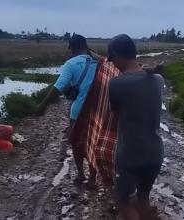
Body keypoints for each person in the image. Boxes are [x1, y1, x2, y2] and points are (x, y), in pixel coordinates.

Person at [108, 34, 164, 220]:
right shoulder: (157, 80)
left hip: (130, 155)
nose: (113, 64)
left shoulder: (115, 84)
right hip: (155, 154)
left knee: (124, 201)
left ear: (117, 54)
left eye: (112, 59)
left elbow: (116, 116)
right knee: (143, 198)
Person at [37, 34, 98, 184]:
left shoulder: (71, 64)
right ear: (86, 46)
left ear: (71, 48)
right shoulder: (99, 62)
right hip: (97, 112)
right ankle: (92, 178)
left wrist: (42, 105)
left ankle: (80, 174)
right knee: (93, 144)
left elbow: (58, 87)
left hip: (78, 113)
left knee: (76, 143)